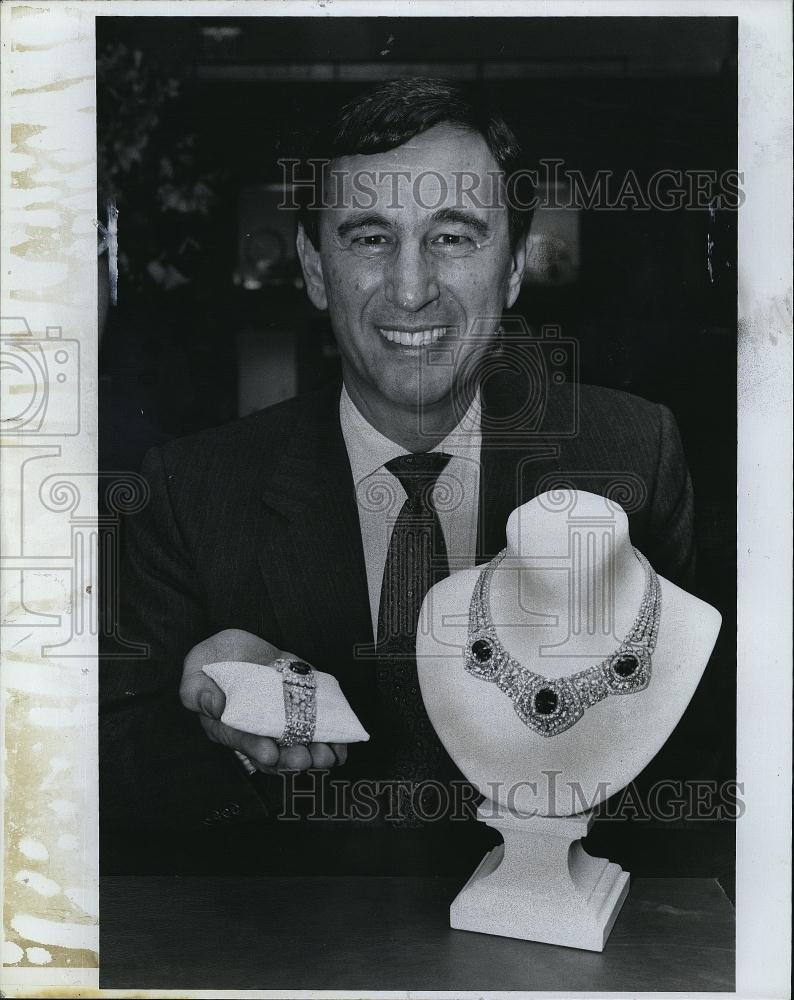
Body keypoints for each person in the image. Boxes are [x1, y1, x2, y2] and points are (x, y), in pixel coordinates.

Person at [100, 78, 695, 871]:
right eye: (371, 238)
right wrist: (226, 725)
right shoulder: (191, 490)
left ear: (514, 267)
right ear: (315, 269)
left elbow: (697, 766)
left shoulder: (631, 457)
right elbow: (115, 785)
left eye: (453, 236)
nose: (411, 291)